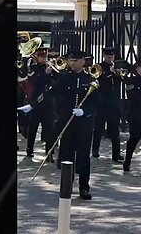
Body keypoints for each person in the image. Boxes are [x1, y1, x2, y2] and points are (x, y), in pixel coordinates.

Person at [18, 50, 100, 200]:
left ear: (83, 61)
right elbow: (50, 92)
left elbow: (97, 103)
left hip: (84, 125)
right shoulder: (64, 78)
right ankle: (67, 186)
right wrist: (33, 105)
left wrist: (85, 111)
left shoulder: (90, 79)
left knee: (83, 158)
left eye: (75, 60)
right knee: (67, 156)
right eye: (70, 60)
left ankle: (84, 188)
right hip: (67, 123)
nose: (72, 63)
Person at [91, 47, 124, 162]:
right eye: (108, 56)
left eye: (112, 56)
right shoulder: (99, 67)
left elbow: (123, 81)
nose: (110, 58)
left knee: (115, 130)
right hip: (101, 103)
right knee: (98, 128)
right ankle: (95, 149)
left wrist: (117, 74)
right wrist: (111, 73)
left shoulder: (118, 67)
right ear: (104, 56)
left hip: (114, 104)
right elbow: (98, 79)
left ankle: (117, 154)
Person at [25, 47, 55, 161]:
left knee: (49, 129)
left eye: (45, 56)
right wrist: (45, 74)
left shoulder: (50, 68)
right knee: (33, 127)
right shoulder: (33, 68)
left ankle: (49, 153)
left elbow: (55, 82)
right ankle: (29, 149)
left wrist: (53, 71)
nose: (44, 58)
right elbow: (35, 82)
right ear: (36, 57)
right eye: (42, 56)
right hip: (36, 102)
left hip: (48, 103)